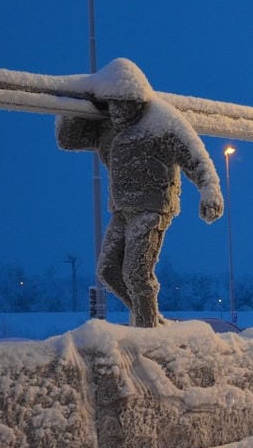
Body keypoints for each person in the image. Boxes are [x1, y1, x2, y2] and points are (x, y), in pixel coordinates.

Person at [56, 58, 223, 327]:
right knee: (108, 270)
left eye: (125, 103)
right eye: (113, 103)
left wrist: (209, 190)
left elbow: (195, 156)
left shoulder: (161, 121)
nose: (119, 110)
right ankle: (151, 318)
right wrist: (73, 104)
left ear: (139, 100)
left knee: (136, 273)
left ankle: (149, 332)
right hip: (122, 208)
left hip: (153, 207)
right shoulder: (107, 128)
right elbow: (68, 140)